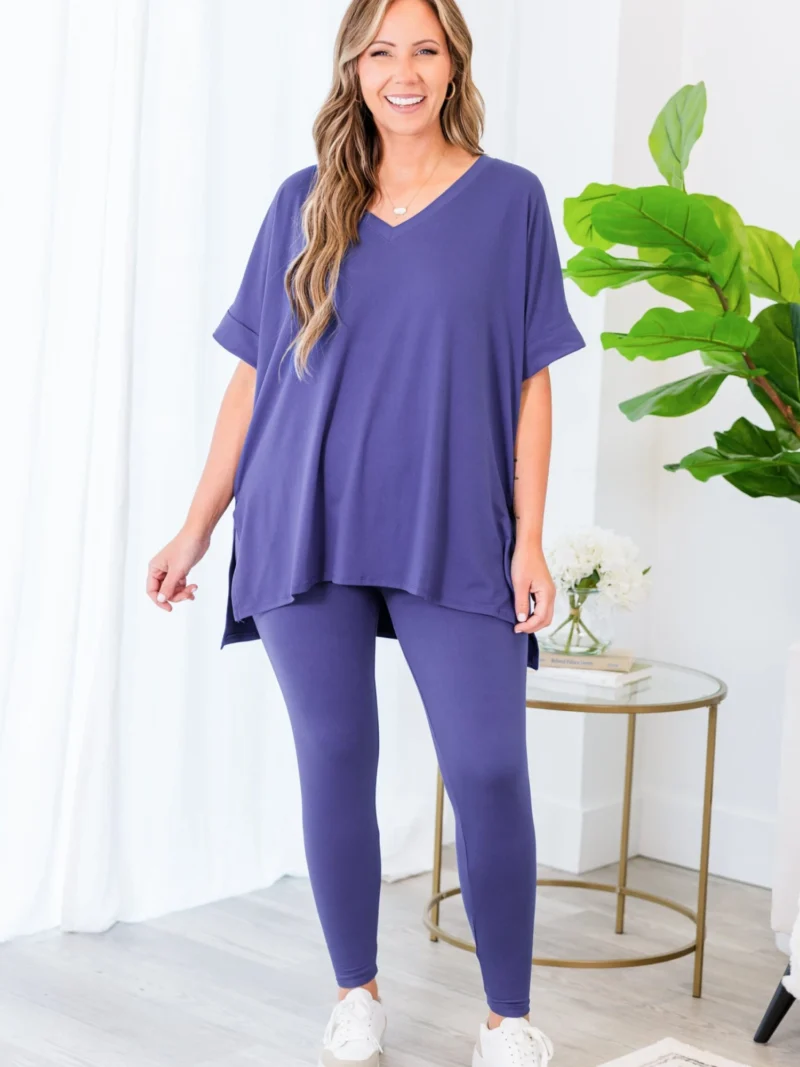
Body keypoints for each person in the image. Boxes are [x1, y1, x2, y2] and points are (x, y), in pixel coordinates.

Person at [147, 0, 585, 1064]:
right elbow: (251, 381)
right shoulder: (302, 202)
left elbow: (532, 382)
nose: (404, 71)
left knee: (488, 767)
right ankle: (356, 992)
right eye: (381, 50)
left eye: (424, 50)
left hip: (453, 519)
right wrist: (196, 526)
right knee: (335, 757)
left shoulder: (510, 201)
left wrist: (529, 538)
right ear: (352, 67)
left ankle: (508, 1017)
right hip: (303, 515)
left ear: (454, 65)